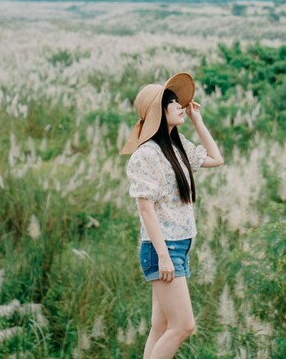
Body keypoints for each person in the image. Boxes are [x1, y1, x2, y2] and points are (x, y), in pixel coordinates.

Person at [121, 72, 224, 359]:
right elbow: (145, 209)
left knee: (161, 326)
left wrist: (197, 121)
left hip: (178, 246)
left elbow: (216, 159)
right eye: (173, 101)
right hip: (163, 249)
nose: (180, 105)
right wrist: (164, 256)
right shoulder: (146, 155)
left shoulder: (179, 147)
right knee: (183, 326)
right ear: (159, 111)